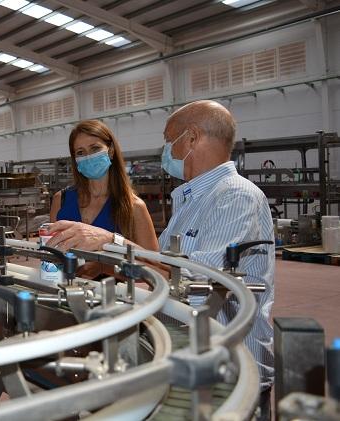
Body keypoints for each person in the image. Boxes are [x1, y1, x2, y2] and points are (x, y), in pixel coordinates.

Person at [48, 101, 274, 420]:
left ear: (192, 138)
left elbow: (200, 285)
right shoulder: (192, 201)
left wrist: (111, 243)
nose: (165, 149)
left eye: (169, 139)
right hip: (190, 358)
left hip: (229, 370)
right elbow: (160, 270)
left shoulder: (235, 197)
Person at [48, 120, 159, 266]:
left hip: (113, 288)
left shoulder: (134, 207)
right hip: (66, 286)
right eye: (80, 152)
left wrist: (105, 267)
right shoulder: (61, 200)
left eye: (95, 148)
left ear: (111, 150)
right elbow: (50, 252)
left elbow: (156, 267)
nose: (88, 156)